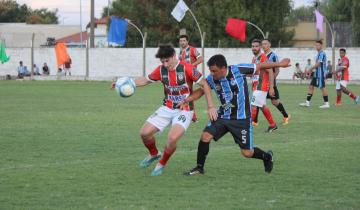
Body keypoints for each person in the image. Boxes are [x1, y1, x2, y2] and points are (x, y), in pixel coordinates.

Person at [181, 54, 291, 176]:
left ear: (223, 68)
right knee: (205, 136)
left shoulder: (238, 69)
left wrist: (280, 64)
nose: (212, 73)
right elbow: (201, 91)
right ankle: (199, 167)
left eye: (214, 71)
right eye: (211, 71)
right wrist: (187, 99)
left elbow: (261, 65)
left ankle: (267, 156)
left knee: (247, 153)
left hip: (241, 118)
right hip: (223, 115)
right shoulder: (212, 79)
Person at [134, 44, 216, 176]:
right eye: (162, 62)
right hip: (167, 107)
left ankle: (161, 163)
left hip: (184, 109)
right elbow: (146, 80)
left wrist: (210, 106)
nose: (165, 64)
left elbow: (205, 84)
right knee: (144, 133)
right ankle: (154, 154)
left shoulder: (187, 68)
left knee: (172, 139)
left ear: (173, 56)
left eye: (167, 61)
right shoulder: (161, 70)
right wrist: (128, 83)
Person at [261, 39, 290, 126]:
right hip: (262, 83)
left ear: (269, 45)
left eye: (265, 44)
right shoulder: (261, 55)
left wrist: (271, 82)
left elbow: (277, 70)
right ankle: (254, 121)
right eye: (262, 44)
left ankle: (286, 115)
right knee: (259, 102)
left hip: (270, 83)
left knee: (274, 102)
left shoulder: (273, 56)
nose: (263, 46)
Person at [250, 39, 277, 132]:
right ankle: (273, 125)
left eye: (256, 46)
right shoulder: (254, 59)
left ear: (260, 47)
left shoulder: (263, 57)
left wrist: (271, 87)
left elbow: (270, 72)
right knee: (262, 106)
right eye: (253, 46)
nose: (254, 48)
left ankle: (248, 127)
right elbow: (252, 72)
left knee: (253, 106)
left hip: (261, 86)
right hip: (256, 86)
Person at [178, 34, 203, 123]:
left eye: (184, 40)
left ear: (187, 41)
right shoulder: (180, 52)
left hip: (190, 75)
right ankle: (186, 111)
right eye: (181, 41)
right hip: (182, 75)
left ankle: (193, 115)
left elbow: (201, 59)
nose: (182, 42)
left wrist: (191, 66)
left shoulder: (192, 49)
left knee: (189, 93)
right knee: (184, 93)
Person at [299, 40, 330, 108]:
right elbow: (317, 64)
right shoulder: (318, 54)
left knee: (322, 87)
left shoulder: (322, 53)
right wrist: (312, 71)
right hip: (316, 73)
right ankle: (307, 103)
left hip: (320, 74)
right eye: (316, 45)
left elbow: (319, 63)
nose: (317, 46)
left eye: (318, 45)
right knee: (311, 86)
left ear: (321, 46)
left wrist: (310, 69)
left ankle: (326, 103)